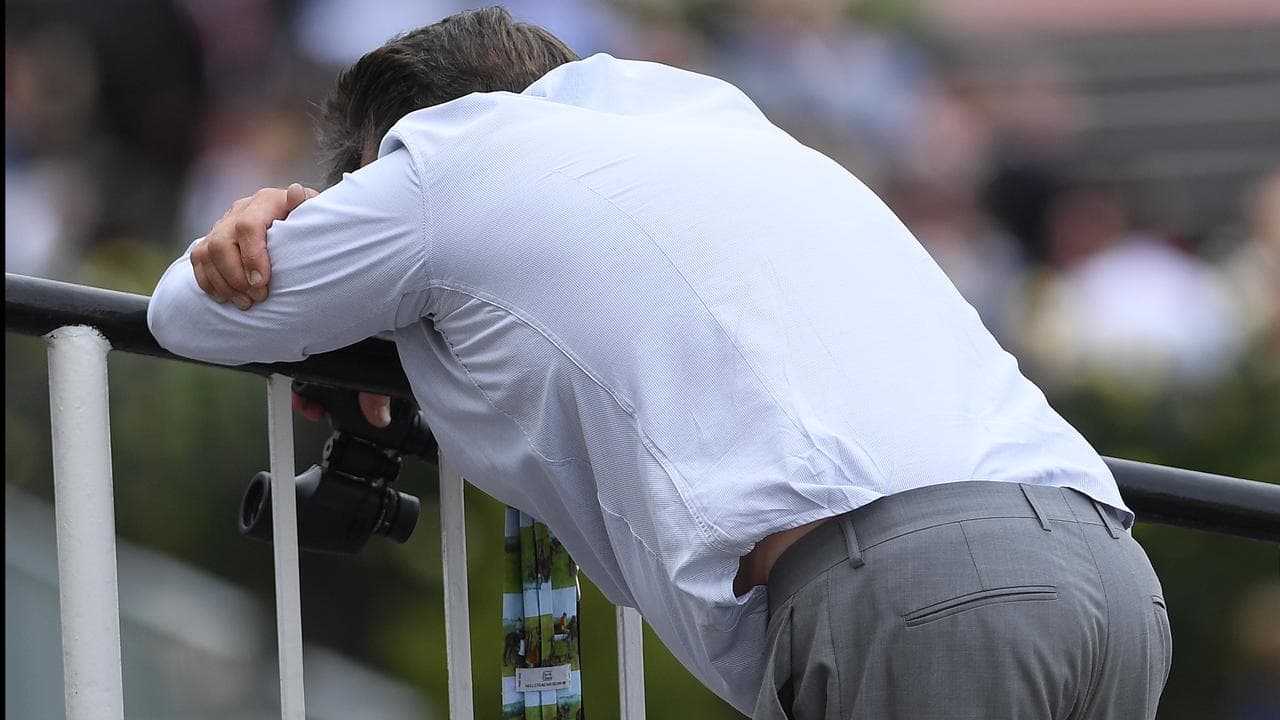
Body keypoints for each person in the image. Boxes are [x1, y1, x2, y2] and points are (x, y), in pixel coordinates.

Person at [148, 7, 1170, 718]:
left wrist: (280, 216)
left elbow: (187, 314)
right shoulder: (706, 122)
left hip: (920, 594)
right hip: (1103, 573)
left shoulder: (446, 160)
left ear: (394, 152)